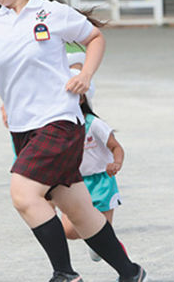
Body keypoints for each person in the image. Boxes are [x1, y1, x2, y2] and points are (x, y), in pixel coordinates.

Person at [0, 0, 146, 282]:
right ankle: (131, 273)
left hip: (59, 121)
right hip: (22, 129)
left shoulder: (52, 13)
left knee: (24, 193)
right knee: (80, 211)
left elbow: (94, 37)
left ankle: (65, 274)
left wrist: (85, 74)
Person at [59, 69, 125, 262]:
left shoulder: (94, 124)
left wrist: (116, 163)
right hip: (75, 183)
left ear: (81, 99)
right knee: (68, 231)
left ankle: (105, 246)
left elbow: (116, 147)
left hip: (102, 182)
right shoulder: (60, 126)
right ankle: (93, 237)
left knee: (104, 240)